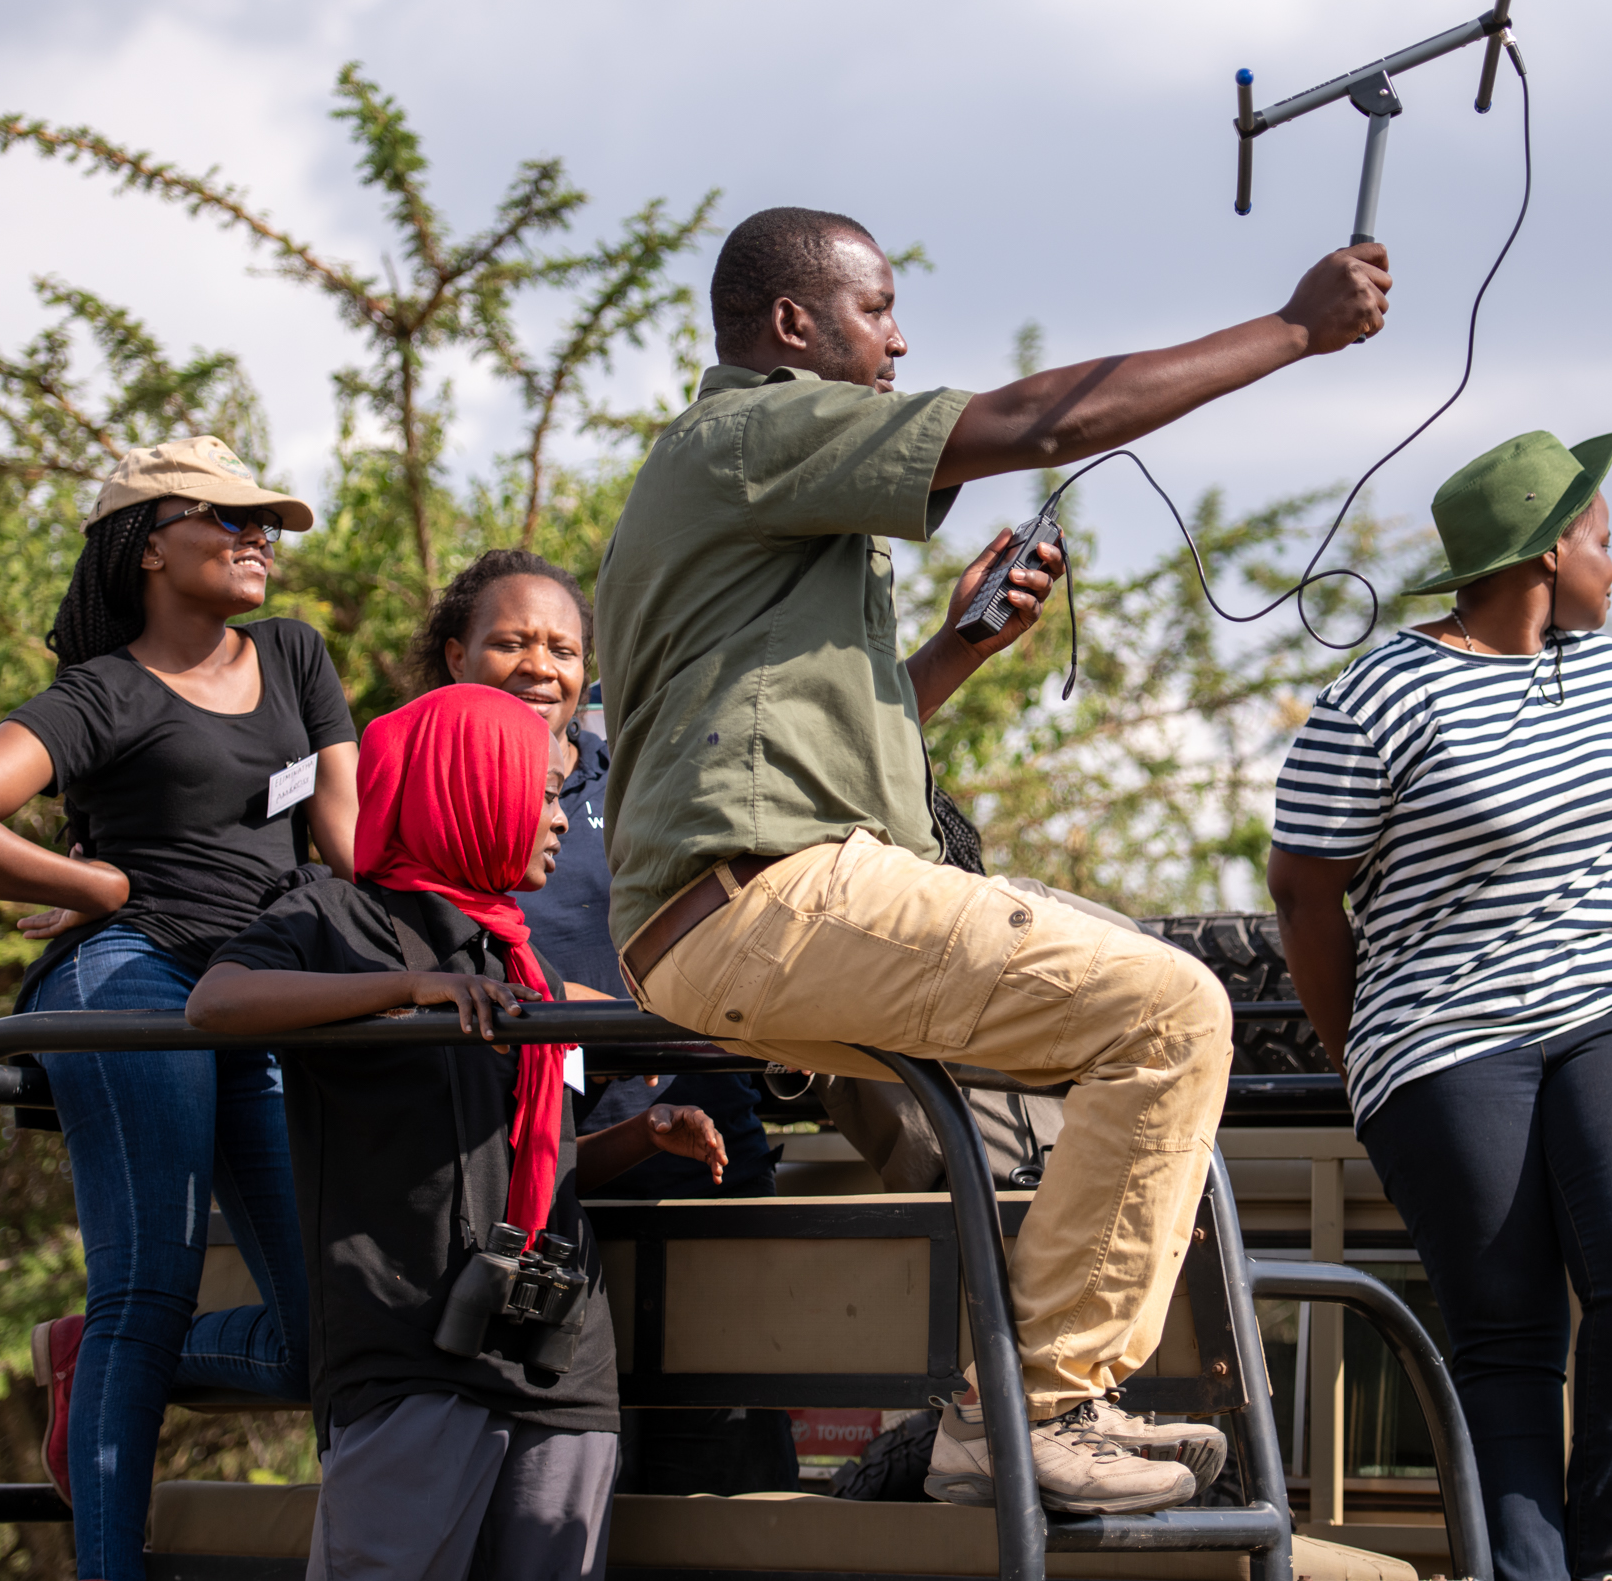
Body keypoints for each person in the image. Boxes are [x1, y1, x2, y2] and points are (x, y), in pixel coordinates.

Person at [592, 205, 1392, 1513]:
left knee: (1113, 1021)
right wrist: (1294, 330)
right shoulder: (754, 424)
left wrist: (962, 646)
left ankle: (1025, 1400)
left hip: (739, 908)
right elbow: (1043, 422)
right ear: (795, 326)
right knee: (1172, 1005)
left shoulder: (764, 506)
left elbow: (820, 746)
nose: (902, 340)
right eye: (879, 309)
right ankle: (1032, 1405)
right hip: (766, 898)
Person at [0, 436, 354, 1580]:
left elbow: (351, 847)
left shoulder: (297, 655)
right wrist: (95, 884)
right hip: (139, 983)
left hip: (261, 990)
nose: (258, 538)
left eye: (267, 522)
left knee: (332, 1338)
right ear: (152, 542)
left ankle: (89, 1360)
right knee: (145, 1288)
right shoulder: (101, 692)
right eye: (230, 518)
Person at [1265, 430, 1612, 1581]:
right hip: (1443, 1032)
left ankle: (1603, 1557)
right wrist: (1360, 1047)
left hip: (1611, 1004)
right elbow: (1304, 892)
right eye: (1604, 538)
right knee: (1507, 1335)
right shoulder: (1382, 693)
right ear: (1550, 548)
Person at [188, 682, 727, 1581]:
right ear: (470, 787)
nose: (562, 819)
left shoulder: (521, 957)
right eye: (543, 793)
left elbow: (515, 1169)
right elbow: (218, 1000)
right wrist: (407, 992)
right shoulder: (340, 918)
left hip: (558, 1365)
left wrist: (645, 1136)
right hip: (412, 1354)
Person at [405, 547, 777, 1200]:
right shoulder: (420, 805)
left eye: (563, 650)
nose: (540, 668)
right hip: (534, 1174)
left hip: (706, 1151)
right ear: (457, 657)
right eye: (511, 643)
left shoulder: (653, 783)